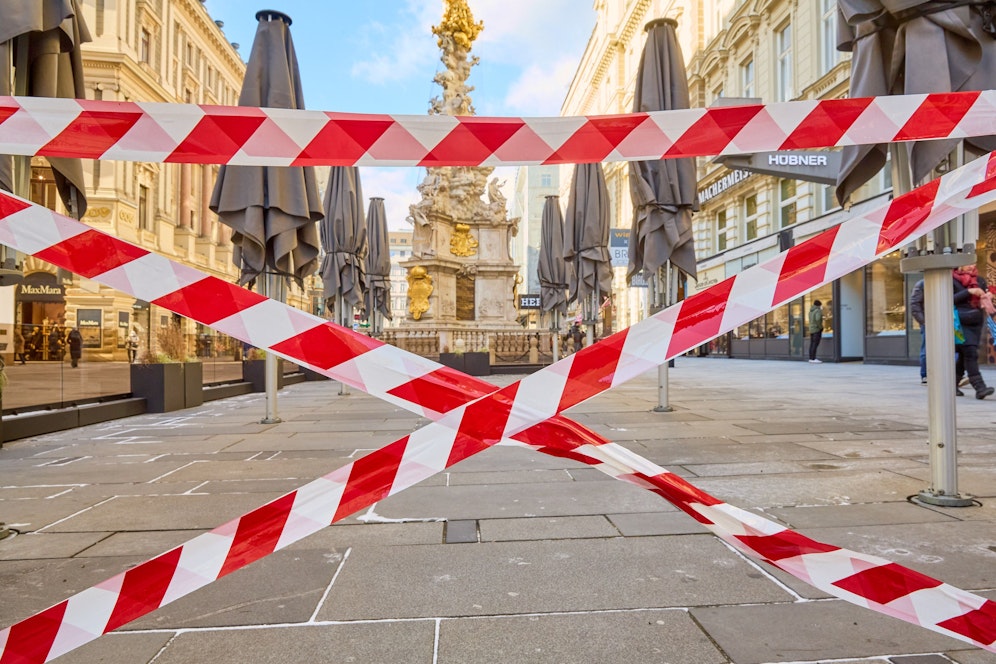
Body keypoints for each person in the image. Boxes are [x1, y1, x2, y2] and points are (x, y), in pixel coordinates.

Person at [952, 264, 994, 399]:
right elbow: (948, 299)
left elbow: (986, 293)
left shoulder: (979, 280)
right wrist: (969, 292)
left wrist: (987, 296)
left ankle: (952, 385)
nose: (971, 266)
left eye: (973, 263)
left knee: (966, 354)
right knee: (970, 352)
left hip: (976, 321)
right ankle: (979, 387)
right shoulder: (951, 279)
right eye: (967, 263)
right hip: (959, 321)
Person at [910, 279, 926, 384]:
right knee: (927, 348)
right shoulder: (921, 284)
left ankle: (955, 373)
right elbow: (914, 304)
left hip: (949, 322)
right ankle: (925, 374)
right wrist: (923, 321)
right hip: (928, 322)